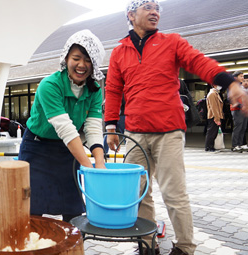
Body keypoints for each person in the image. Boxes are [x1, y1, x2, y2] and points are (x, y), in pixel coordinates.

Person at [104, 1, 248, 254]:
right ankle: (147, 243)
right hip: (135, 131)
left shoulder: (172, 42)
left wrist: (229, 83)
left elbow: (199, 62)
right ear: (131, 14)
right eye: (147, 7)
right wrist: (111, 124)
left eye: (157, 7)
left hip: (168, 130)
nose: (155, 12)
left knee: (174, 192)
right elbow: (114, 89)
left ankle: (185, 247)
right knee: (139, 192)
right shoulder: (119, 52)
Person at [18, 29, 106, 223]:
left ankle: (70, 250)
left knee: (73, 209)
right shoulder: (49, 85)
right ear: (66, 58)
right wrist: (87, 166)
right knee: (33, 209)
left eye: (88, 60)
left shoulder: (94, 90)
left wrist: (99, 162)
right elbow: (65, 128)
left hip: (68, 150)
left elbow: (92, 127)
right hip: (37, 148)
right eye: (76, 58)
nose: (81, 65)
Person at [230, 71, 248, 152]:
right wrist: (241, 106)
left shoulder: (240, 86)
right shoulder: (233, 86)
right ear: (235, 78)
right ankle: (234, 145)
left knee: (243, 127)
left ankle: (240, 144)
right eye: (241, 76)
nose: (243, 78)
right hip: (237, 110)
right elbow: (230, 99)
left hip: (243, 110)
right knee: (238, 128)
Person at [205, 84, 224, 152]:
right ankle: (209, 146)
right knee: (212, 132)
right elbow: (214, 107)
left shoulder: (215, 93)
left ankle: (210, 146)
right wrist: (217, 118)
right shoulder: (212, 94)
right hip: (213, 116)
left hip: (215, 115)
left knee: (213, 132)